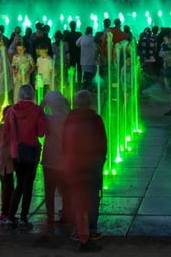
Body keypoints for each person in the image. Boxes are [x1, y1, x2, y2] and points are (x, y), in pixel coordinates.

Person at [62, 90, 107, 252]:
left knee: (77, 199)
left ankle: (80, 231)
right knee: (92, 198)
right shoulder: (95, 119)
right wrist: (101, 159)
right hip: (92, 164)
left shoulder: (70, 119)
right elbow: (102, 142)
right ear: (89, 103)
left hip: (74, 164)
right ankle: (90, 232)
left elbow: (64, 141)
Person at [2, 84, 46, 229]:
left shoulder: (11, 111)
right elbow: (41, 133)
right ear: (33, 95)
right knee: (28, 185)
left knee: (19, 184)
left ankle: (9, 217)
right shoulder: (38, 110)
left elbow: (5, 132)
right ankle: (23, 218)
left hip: (16, 152)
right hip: (31, 151)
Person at [40, 91, 70, 227]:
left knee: (49, 190)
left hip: (49, 161)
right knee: (65, 189)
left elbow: (37, 114)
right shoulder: (69, 118)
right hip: (65, 160)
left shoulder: (47, 119)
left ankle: (50, 216)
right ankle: (66, 214)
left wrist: (42, 103)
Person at [0, 106, 16, 225]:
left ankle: (6, 212)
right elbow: (4, 147)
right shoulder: (6, 128)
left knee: (7, 187)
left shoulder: (4, 127)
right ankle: (5, 213)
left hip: (5, 162)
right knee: (8, 188)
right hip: (5, 163)